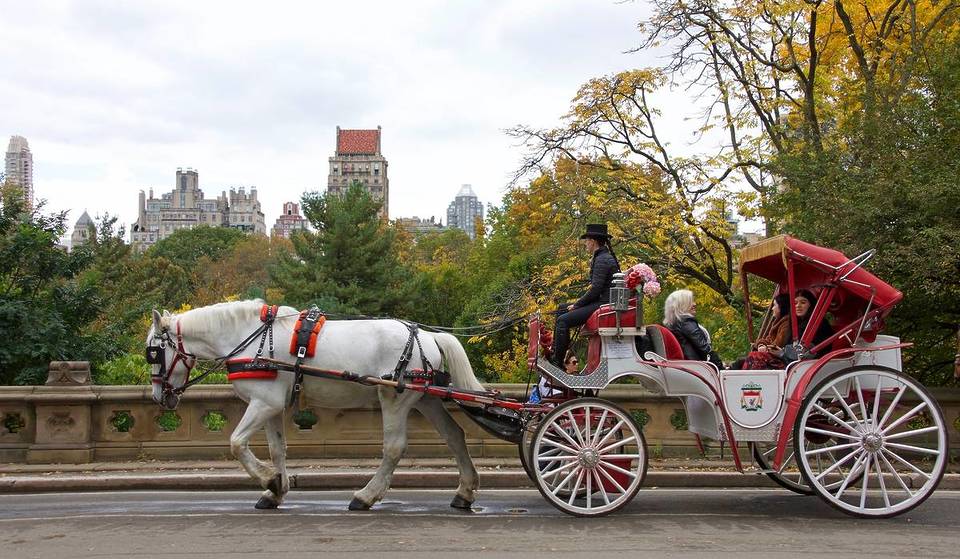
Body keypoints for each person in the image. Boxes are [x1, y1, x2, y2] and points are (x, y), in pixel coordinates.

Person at [549, 223, 621, 368]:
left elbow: (595, 290)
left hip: (604, 303)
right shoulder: (601, 257)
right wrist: (576, 304)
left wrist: (577, 305)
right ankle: (555, 352)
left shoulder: (602, 259)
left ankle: (558, 361)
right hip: (601, 300)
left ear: (593, 241)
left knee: (563, 321)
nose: (585, 244)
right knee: (562, 309)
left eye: (586, 241)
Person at [663, 289, 724, 368]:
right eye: (690, 302)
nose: (694, 304)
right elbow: (704, 348)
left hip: (687, 365)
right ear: (681, 305)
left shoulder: (673, 323)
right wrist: (720, 367)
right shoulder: (686, 322)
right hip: (697, 367)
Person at [737, 293, 791, 369]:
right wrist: (761, 344)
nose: (772, 308)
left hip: (779, 359)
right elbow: (769, 339)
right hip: (772, 356)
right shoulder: (778, 322)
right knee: (739, 361)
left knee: (752, 357)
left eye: (774, 305)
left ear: (782, 307)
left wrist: (765, 347)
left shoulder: (786, 324)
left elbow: (778, 344)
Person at [787, 289, 833, 358]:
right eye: (795, 303)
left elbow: (808, 351)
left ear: (810, 305)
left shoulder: (819, 324)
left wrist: (782, 353)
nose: (798, 306)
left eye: (803, 302)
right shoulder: (795, 323)